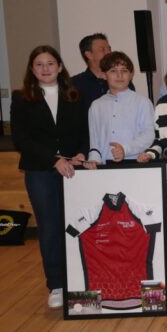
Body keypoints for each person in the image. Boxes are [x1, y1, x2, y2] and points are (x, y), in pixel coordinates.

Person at [10, 45, 89, 308]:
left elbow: (84, 133)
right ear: (32, 69)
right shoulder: (21, 98)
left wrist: (80, 153)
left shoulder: (75, 96)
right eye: (39, 65)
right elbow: (21, 139)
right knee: (51, 227)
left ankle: (80, 279)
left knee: (79, 225)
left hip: (73, 170)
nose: (45, 69)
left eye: (50, 63)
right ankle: (56, 284)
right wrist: (54, 161)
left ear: (60, 66)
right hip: (40, 171)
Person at [84, 51, 154, 166]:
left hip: (135, 164)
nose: (119, 75)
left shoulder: (143, 102)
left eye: (124, 71)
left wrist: (125, 149)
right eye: (113, 71)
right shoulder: (96, 105)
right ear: (104, 74)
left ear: (131, 75)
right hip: (105, 167)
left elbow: (148, 135)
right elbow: (94, 141)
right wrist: (93, 160)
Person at [72, 33, 136, 110]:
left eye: (109, 49)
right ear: (89, 55)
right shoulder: (75, 84)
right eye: (102, 49)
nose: (108, 53)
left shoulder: (121, 80)